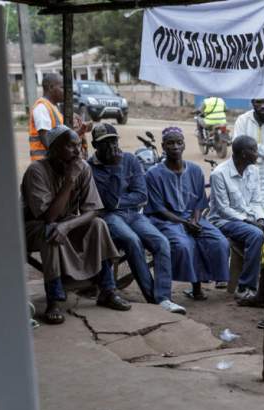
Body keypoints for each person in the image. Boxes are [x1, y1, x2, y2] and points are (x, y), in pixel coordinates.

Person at [22, 125, 131, 324]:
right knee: (51, 231)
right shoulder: (36, 171)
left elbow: (93, 210)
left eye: (79, 145)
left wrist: (68, 226)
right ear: (54, 149)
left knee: (98, 224)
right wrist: (69, 181)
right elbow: (49, 217)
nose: (77, 151)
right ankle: (54, 300)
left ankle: (107, 290)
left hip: (64, 222)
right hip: (34, 226)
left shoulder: (82, 167)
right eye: (70, 146)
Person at [87, 123, 185, 314]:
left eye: (113, 141)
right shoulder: (91, 168)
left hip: (132, 214)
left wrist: (117, 201)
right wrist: (115, 168)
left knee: (161, 242)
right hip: (108, 216)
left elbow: (141, 195)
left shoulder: (130, 159)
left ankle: (164, 298)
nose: (111, 147)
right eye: (105, 143)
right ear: (95, 145)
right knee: (132, 241)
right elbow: (107, 204)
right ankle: (154, 299)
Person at [144, 127, 230, 301]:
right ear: (163, 146)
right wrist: (184, 223)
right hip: (166, 220)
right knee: (184, 245)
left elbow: (199, 201)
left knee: (219, 242)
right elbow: (159, 209)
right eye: (170, 143)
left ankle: (203, 285)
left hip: (193, 217)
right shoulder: (153, 174)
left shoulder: (195, 170)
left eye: (179, 142)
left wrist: (195, 221)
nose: (175, 147)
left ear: (184, 145)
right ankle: (193, 288)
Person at [208, 136, 264, 306]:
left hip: (250, 217)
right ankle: (245, 287)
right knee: (256, 235)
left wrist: (260, 218)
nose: (257, 154)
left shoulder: (253, 171)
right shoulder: (219, 174)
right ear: (243, 154)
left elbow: (256, 201)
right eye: (254, 150)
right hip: (224, 221)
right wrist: (251, 222)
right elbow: (223, 209)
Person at [28, 73, 91, 161]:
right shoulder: (41, 108)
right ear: (51, 87)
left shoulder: (54, 107)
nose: (65, 91)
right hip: (44, 164)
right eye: (62, 87)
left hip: (53, 163)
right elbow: (48, 142)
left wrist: (80, 131)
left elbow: (60, 138)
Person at [233, 98, 264, 207]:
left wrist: (251, 148)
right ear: (252, 103)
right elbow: (238, 148)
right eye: (259, 102)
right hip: (246, 177)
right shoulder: (243, 120)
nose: (263, 106)